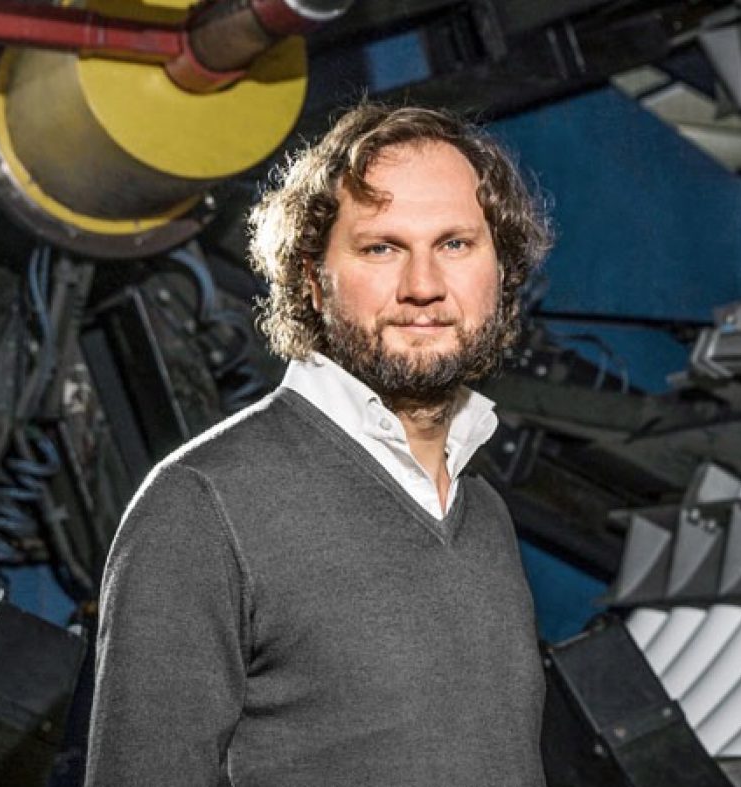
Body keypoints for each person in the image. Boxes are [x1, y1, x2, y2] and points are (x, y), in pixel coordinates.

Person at [85, 102, 552, 787]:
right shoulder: (202, 504)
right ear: (311, 276)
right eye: (380, 247)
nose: (423, 286)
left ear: (501, 271)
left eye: (454, 243)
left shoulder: (482, 511)